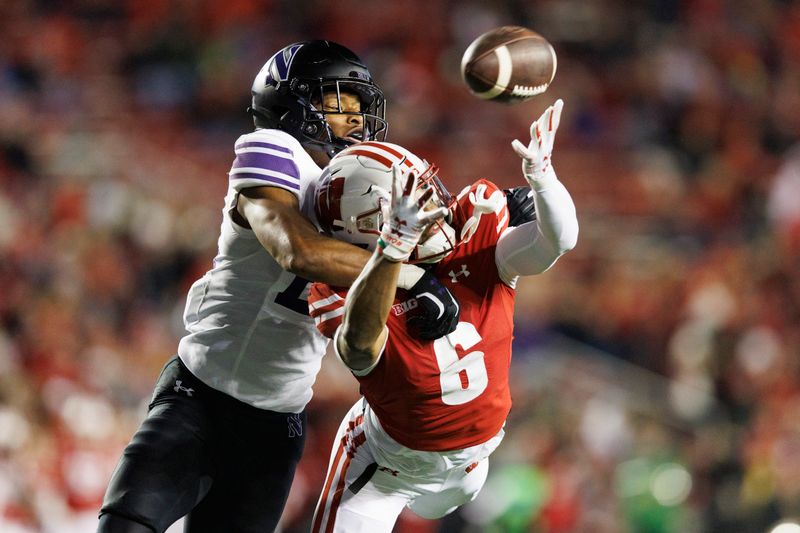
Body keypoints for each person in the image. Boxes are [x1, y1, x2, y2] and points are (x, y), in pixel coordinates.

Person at [97, 40, 462, 533]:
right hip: (200, 396)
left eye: (359, 106)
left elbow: (442, 233)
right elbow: (297, 251)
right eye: (339, 101)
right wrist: (409, 275)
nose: (354, 119)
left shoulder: (358, 187)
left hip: (276, 424)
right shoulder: (274, 149)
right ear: (293, 103)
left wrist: (508, 214)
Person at [308, 100, 578, 532]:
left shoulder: (474, 232)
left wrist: (544, 180)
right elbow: (358, 348)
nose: (438, 205)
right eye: (414, 204)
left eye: (429, 189)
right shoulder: (340, 290)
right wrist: (394, 252)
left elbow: (556, 242)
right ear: (372, 226)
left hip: (475, 464)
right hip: (387, 467)